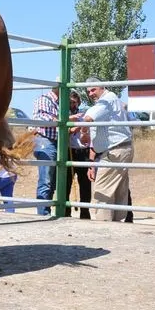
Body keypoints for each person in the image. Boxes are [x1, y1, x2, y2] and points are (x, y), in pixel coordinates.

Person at [79, 76, 134, 222]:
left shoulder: (107, 99)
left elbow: (88, 118)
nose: (90, 94)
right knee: (117, 191)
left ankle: (103, 224)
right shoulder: (107, 102)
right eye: (88, 92)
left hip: (115, 150)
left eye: (93, 90)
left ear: (102, 87)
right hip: (117, 149)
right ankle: (116, 223)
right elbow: (96, 132)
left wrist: (80, 129)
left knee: (102, 191)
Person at [31, 81, 60, 216]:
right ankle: (43, 212)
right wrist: (65, 118)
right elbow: (43, 118)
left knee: (51, 180)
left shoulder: (57, 102)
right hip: (45, 141)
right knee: (46, 179)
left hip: (52, 141)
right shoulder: (44, 100)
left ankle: (45, 210)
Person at [65, 90, 92, 219]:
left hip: (83, 151)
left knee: (85, 184)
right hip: (70, 151)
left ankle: (85, 212)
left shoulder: (85, 114)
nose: (72, 105)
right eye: (70, 102)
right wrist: (71, 129)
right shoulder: (65, 115)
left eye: (74, 102)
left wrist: (82, 127)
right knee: (66, 182)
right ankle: (65, 210)